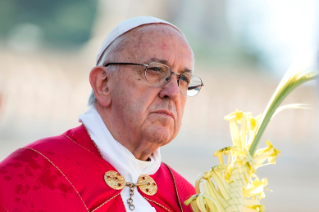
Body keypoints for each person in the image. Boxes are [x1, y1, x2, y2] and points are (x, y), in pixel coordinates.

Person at [0, 16, 203, 212]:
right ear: (103, 84)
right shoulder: (29, 174)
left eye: (183, 79)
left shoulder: (189, 202)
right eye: (155, 70)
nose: (173, 92)